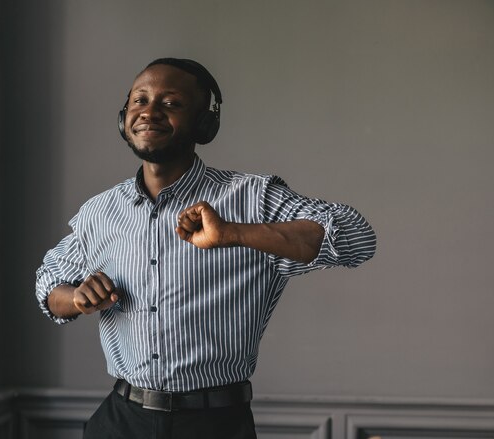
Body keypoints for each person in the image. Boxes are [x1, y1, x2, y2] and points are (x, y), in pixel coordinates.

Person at [35, 58, 376, 439]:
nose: (149, 112)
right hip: (119, 421)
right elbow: (48, 284)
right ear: (124, 117)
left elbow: (355, 237)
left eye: (170, 103)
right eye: (139, 101)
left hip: (214, 424)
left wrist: (233, 233)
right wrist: (77, 297)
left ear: (203, 123)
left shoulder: (251, 197)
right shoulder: (100, 211)